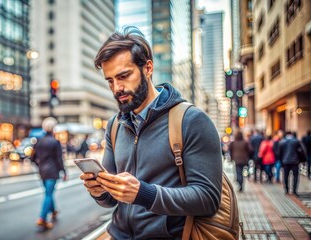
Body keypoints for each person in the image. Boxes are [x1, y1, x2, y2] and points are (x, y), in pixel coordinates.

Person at [79, 27, 222, 239]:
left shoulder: (192, 121)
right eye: (110, 80)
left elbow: (208, 199)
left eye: (124, 76)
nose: (117, 88)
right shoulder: (115, 125)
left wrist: (143, 194)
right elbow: (110, 200)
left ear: (148, 68)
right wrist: (99, 191)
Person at [31, 117, 67, 230]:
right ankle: (42, 218)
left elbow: (32, 158)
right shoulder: (55, 142)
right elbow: (59, 159)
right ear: (53, 128)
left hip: (42, 171)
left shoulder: (38, 141)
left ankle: (53, 211)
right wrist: (64, 171)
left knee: (48, 192)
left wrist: (39, 166)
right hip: (52, 172)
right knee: (48, 194)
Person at [279, 131, 306, 195]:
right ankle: (294, 190)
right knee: (296, 176)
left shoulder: (282, 142)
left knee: (285, 175)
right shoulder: (296, 141)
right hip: (295, 161)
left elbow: (280, 153)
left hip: (285, 161)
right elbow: (301, 151)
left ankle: (286, 190)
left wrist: (281, 161)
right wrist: (302, 160)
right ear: (291, 135)